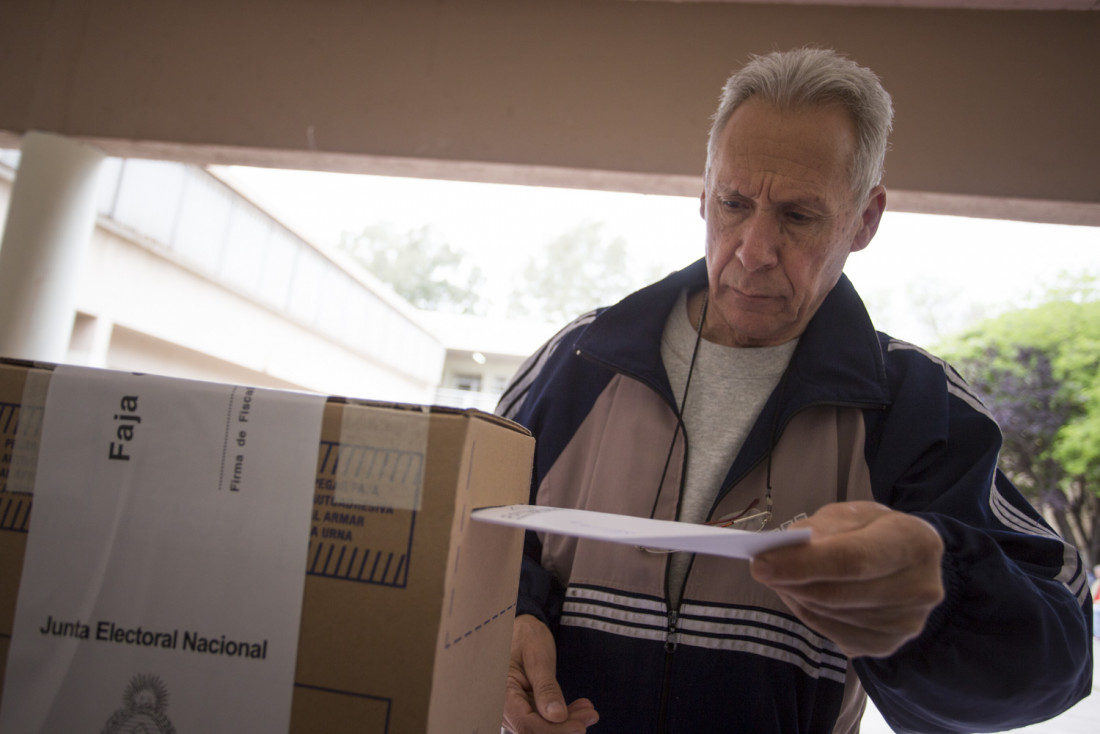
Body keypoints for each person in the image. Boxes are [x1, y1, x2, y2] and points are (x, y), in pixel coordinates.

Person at [496, 47, 1093, 734]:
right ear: (703, 193)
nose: (753, 248)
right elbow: (469, 537)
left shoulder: (917, 407)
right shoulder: (576, 362)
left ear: (865, 221)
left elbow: (1061, 653)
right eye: (734, 203)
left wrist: (938, 595)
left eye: (799, 216)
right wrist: (511, 618)